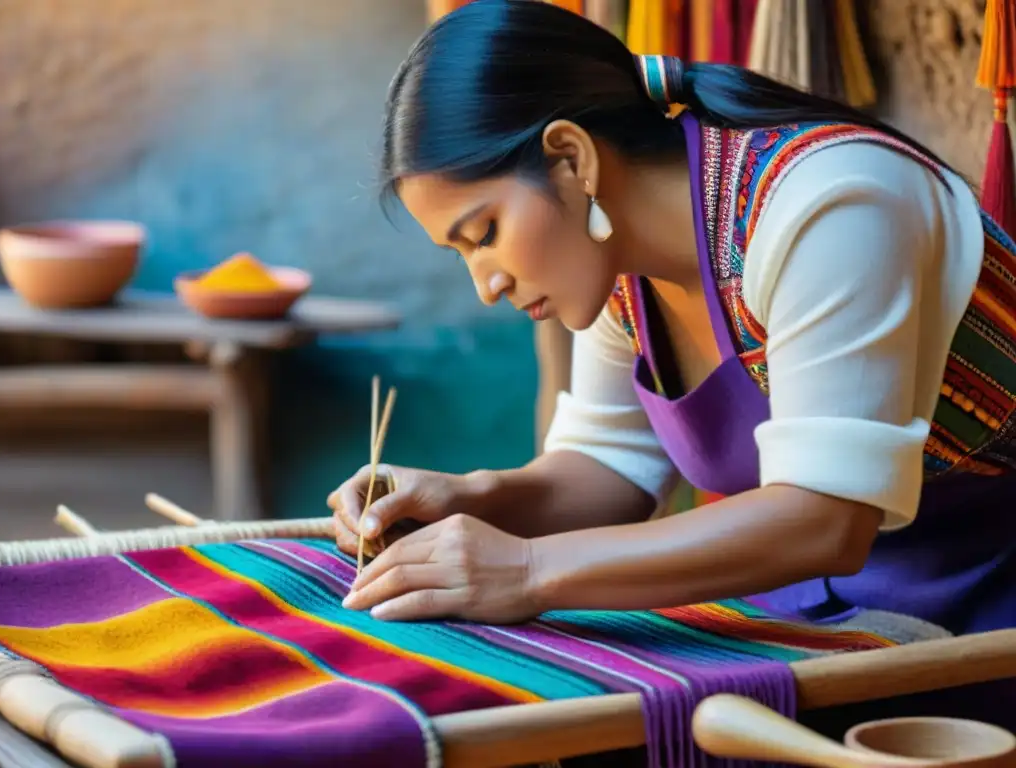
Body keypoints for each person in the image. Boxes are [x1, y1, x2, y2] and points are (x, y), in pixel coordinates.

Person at [329, 0, 1015, 680]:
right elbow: (611, 469)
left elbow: (824, 519)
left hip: (982, 616)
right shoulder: (619, 266)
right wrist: (470, 499)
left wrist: (530, 570)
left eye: (483, 235)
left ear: (571, 158)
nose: (486, 283)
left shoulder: (830, 205)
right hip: (805, 624)